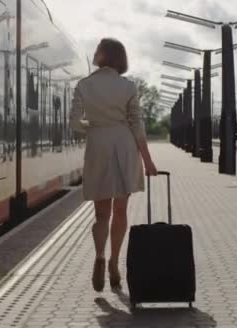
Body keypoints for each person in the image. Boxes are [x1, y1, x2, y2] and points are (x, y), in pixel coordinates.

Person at [70, 38, 158, 292]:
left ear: (100, 55)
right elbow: (137, 125)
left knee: (101, 214)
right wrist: (148, 160)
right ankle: (114, 263)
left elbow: (74, 124)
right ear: (120, 58)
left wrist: (94, 127)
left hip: (97, 147)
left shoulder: (84, 85)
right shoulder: (128, 86)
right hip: (125, 147)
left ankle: (99, 255)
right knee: (120, 211)